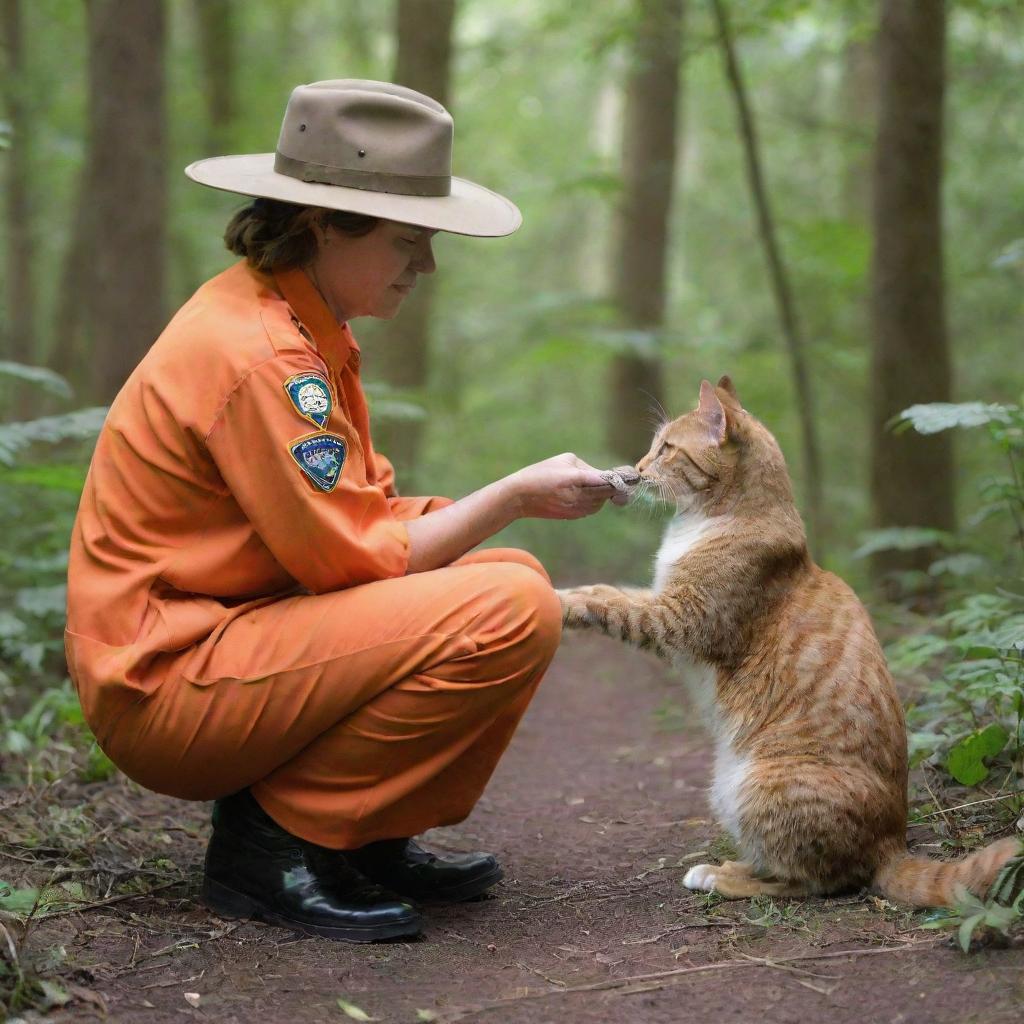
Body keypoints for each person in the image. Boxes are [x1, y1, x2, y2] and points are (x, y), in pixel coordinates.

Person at [65, 79, 622, 943]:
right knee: (506, 605)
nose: (425, 265)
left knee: (505, 576)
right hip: (166, 682)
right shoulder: (262, 355)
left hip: (230, 640)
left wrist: (499, 520)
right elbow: (355, 559)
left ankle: (359, 832)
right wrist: (511, 494)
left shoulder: (299, 321)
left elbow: (359, 516)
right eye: (409, 240)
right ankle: (272, 845)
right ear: (323, 225)